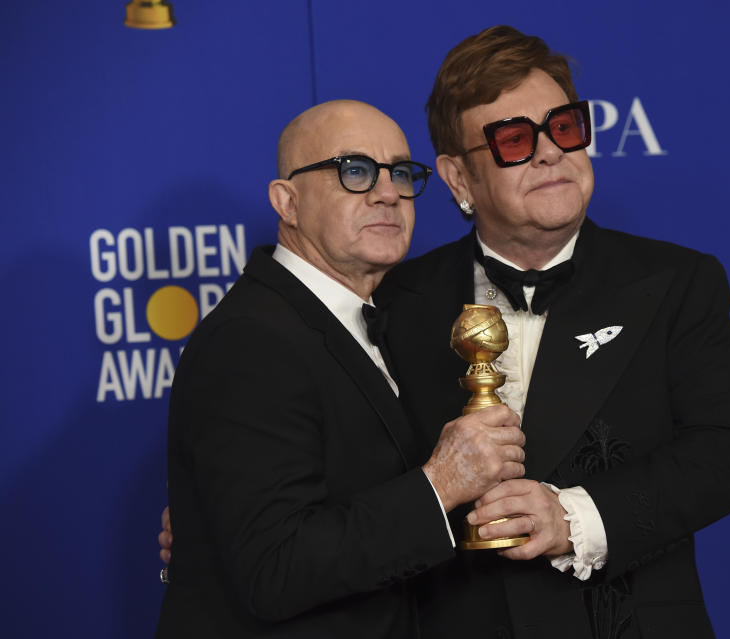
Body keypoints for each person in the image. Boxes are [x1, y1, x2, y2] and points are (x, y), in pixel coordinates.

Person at [372, 26, 730, 638]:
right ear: (457, 180)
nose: (550, 152)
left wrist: (574, 517)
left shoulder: (677, 281)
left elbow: (725, 455)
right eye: (513, 140)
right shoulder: (395, 301)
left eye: (564, 127)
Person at [154, 100, 525, 638]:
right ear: (288, 203)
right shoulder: (249, 342)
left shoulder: (385, 318)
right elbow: (274, 569)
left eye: (400, 172)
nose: (388, 192)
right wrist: (440, 483)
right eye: (354, 171)